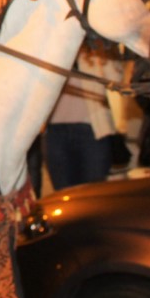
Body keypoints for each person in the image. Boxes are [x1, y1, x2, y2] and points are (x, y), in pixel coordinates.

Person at [43, 36, 122, 190]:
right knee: (63, 196)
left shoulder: (96, 49)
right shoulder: (51, 49)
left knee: (95, 194)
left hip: (92, 131)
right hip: (54, 132)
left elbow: (117, 79)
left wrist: (107, 47)